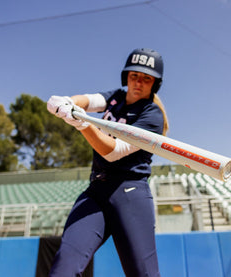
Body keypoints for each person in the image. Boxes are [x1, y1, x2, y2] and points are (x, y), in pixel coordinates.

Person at [46, 48, 169, 277]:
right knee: (63, 269)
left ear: (155, 84)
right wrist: (68, 102)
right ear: (126, 77)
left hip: (130, 194)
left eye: (146, 78)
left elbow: (112, 152)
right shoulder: (116, 98)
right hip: (96, 192)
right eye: (134, 75)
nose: (138, 82)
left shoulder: (152, 116)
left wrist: (82, 124)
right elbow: (90, 100)